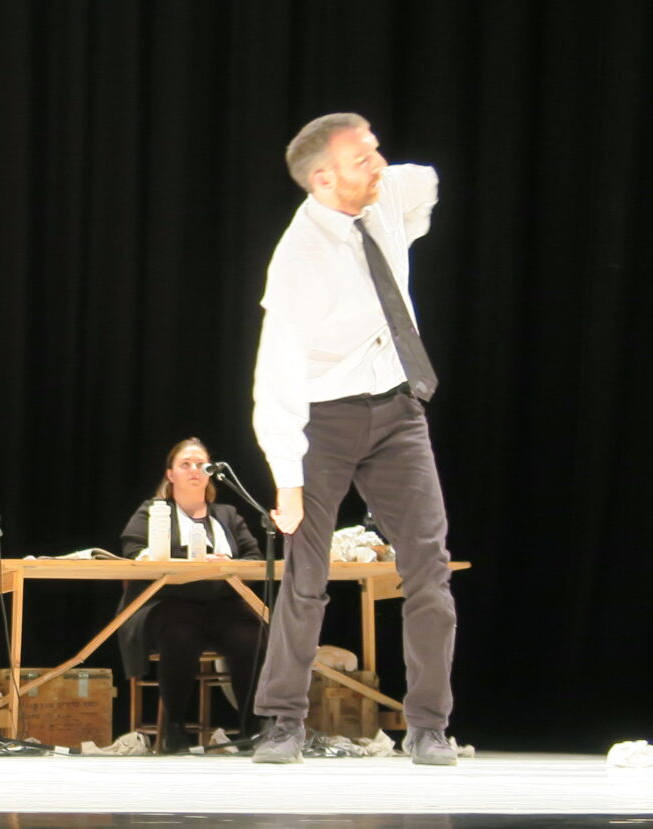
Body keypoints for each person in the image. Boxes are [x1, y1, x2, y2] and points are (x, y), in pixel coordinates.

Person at [250, 113, 460, 765]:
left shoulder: (386, 194)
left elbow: (425, 182)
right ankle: (282, 720)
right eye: (362, 158)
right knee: (306, 575)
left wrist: (400, 201)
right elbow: (277, 375)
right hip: (323, 417)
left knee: (428, 566)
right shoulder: (298, 260)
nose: (380, 165)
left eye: (376, 150)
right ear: (322, 180)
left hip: (397, 407)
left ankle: (429, 725)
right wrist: (287, 479)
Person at [112, 438, 265, 753]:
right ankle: (175, 730)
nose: (195, 470)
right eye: (185, 464)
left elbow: (254, 558)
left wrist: (228, 562)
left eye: (201, 465)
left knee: (250, 633)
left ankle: (251, 728)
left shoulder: (228, 514)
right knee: (181, 629)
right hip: (165, 604)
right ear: (170, 475)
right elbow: (133, 551)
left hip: (220, 604)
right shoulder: (152, 512)